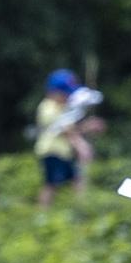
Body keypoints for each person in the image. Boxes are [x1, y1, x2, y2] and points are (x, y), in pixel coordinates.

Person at [32, 69, 103, 207]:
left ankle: (79, 210)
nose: (67, 97)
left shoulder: (63, 108)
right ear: (53, 92)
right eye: (64, 93)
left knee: (77, 179)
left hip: (64, 152)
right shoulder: (47, 108)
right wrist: (82, 146)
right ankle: (41, 214)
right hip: (51, 152)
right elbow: (66, 131)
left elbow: (72, 128)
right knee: (51, 184)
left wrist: (89, 126)